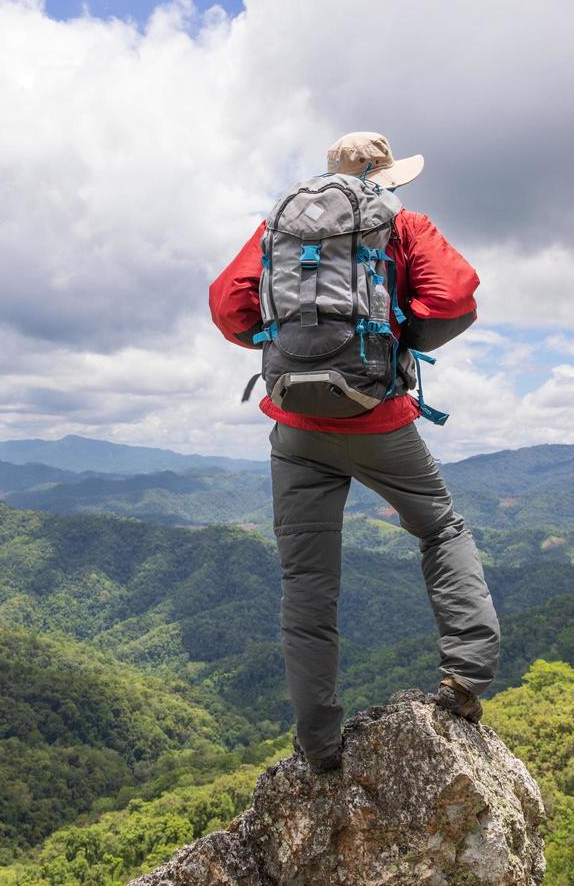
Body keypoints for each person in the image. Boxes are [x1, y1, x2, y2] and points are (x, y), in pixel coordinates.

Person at [208, 131, 500, 774]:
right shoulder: (403, 222)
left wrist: (289, 345)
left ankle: (318, 746)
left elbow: (229, 307)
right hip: (378, 418)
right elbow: (456, 295)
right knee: (441, 529)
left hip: (295, 425)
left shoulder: (278, 228)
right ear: (384, 176)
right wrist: (396, 342)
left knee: (307, 584)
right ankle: (465, 678)